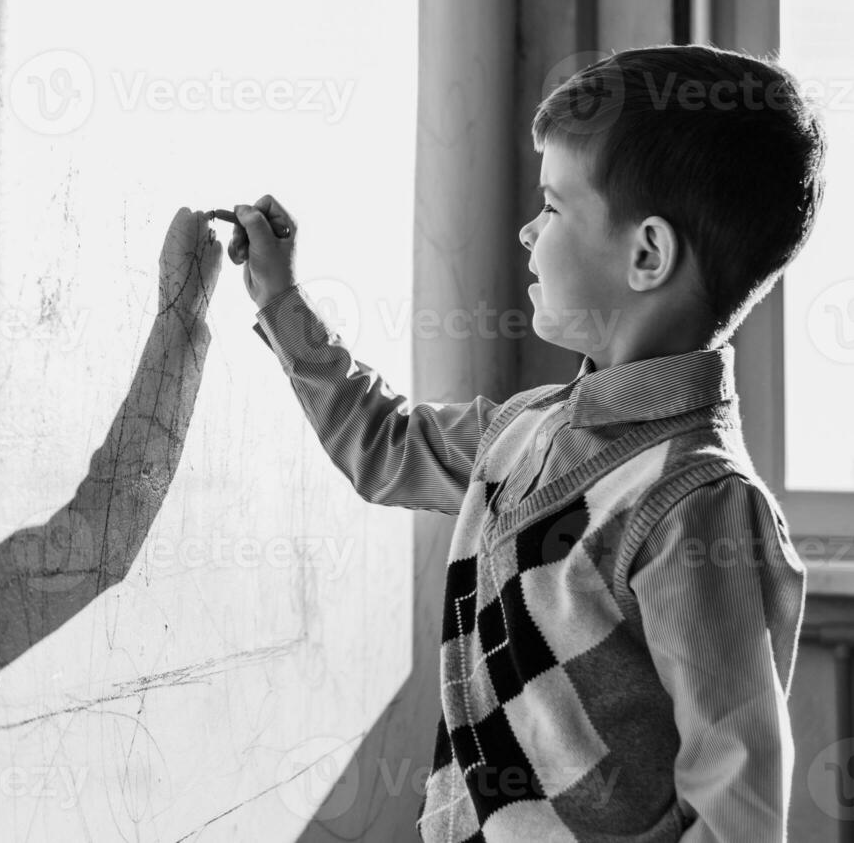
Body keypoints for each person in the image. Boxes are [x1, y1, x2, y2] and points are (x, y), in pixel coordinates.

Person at [228, 44, 826, 842]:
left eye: (552, 206)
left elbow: (737, 809)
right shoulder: (522, 432)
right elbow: (384, 445)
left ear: (647, 254)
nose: (525, 229)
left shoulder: (698, 503)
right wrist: (280, 298)